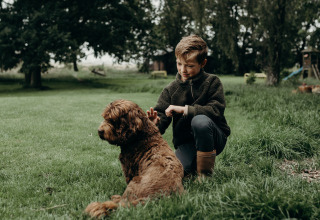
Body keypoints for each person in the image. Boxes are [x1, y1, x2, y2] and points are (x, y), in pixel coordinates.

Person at [147, 35, 230, 178]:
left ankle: (205, 176)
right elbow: (161, 115)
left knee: (200, 121)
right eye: (179, 64)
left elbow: (216, 110)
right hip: (186, 143)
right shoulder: (170, 89)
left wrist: (185, 110)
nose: (183, 70)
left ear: (203, 63)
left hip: (214, 138)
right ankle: (192, 165)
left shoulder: (212, 82)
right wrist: (154, 125)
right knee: (176, 172)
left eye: (190, 66)